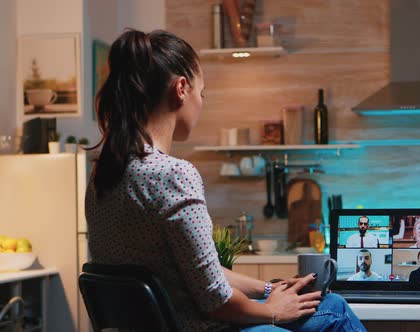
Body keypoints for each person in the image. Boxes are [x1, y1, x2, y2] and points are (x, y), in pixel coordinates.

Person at [85, 28, 366, 332]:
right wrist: (272, 311)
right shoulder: (173, 174)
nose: (201, 102)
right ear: (181, 89)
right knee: (334, 308)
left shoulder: (104, 175)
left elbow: (202, 273)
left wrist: (269, 290)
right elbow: (216, 300)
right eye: (201, 92)